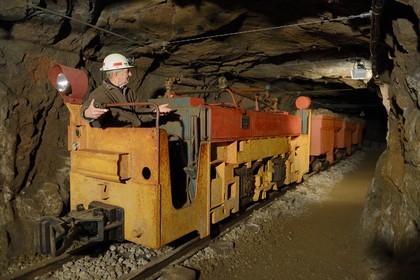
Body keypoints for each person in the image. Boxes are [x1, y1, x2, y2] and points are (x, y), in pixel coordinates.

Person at [81, 53, 171, 127]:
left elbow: (139, 113)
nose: (130, 74)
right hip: (118, 138)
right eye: (127, 71)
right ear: (116, 75)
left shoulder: (129, 92)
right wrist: (88, 113)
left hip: (134, 134)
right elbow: (90, 106)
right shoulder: (102, 92)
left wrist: (155, 112)